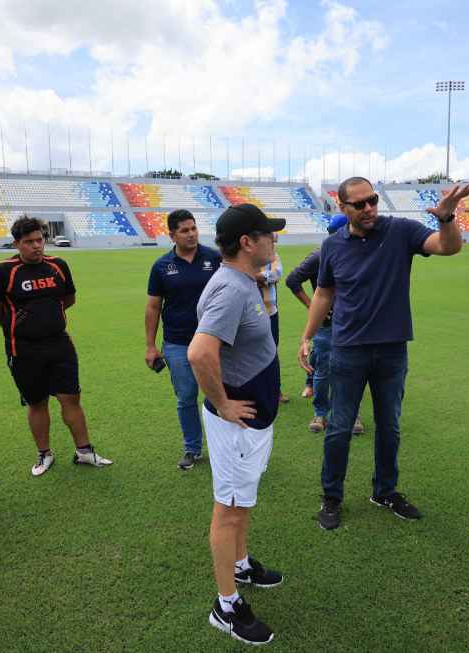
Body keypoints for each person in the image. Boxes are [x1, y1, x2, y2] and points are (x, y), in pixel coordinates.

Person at [298, 177, 469, 530]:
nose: (368, 208)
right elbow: (324, 293)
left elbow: (447, 247)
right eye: (359, 204)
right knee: (339, 428)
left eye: (372, 200)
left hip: (391, 350)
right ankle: (331, 496)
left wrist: (447, 217)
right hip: (346, 349)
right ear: (342, 207)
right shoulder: (332, 246)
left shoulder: (400, 231)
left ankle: (385, 490)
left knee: (389, 427)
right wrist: (307, 336)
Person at [187, 203, 286, 646]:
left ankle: (241, 565)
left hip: (252, 421)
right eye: (268, 233)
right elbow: (199, 353)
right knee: (228, 510)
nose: (274, 239)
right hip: (237, 425)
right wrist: (223, 404)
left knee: (241, 502)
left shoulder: (244, 281)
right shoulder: (231, 288)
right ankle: (225, 606)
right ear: (248, 242)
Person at [0, 216, 112, 476]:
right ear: (16, 243)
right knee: (37, 402)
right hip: (23, 350)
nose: (36, 246)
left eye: (39, 240)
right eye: (29, 242)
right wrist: (21, 328)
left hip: (59, 344)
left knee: (71, 398)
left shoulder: (58, 266)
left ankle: (85, 452)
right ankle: (44, 454)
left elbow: (69, 299)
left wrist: (47, 321)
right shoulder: (2, 272)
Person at [145, 209, 222, 470]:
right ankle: (192, 448)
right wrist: (150, 345)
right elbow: (153, 307)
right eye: (184, 230)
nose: (191, 234)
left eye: (193, 228)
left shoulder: (215, 258)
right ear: (172, 235)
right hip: (177, 343)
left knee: (219, 395)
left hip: (213, 340)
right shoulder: (161, 266)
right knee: (186, 397)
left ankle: (223, 448)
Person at [285, 214, 364, 435]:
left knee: (353, 371)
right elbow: (292, 280)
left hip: (353, 324)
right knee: (322, 372)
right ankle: (320, 413)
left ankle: (352, 414)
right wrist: (313, 307)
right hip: (327, 324)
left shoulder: (360, 254)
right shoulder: (320, 255)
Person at [256, 237, 288, 404]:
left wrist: (257, 276)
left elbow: (277, 273)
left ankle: (275, 390)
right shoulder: (246, 256)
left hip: (270, 312)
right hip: (250, 314)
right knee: (250, 352)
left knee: (271, 351)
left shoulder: (273, 256)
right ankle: (256, 390)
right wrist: (263, 278)